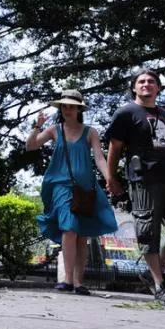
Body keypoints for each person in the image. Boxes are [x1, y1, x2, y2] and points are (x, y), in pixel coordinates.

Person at [105, 69, 165, 307]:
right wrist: (111, 177)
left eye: (151, 81)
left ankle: (154, 272)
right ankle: (160, 285)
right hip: (144, 179)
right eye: (141, 81)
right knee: (149, 232)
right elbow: (114, 147)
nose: (146, 84)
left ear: (158, 88)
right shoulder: (126, 112)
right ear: (134, 88)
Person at [26, 89, 118, 295]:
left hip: (85, 188)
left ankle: (79, 281)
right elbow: (31, 146)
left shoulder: (90, 132)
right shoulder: (54, 130)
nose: (67, 109)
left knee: (81, 233)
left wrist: (109, 178)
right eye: (64, 106)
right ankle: (68, 280)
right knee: (69, 228)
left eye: (71, 106)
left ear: (79, 109)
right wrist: (37, 126)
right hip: (60, 185)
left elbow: (99, 158)